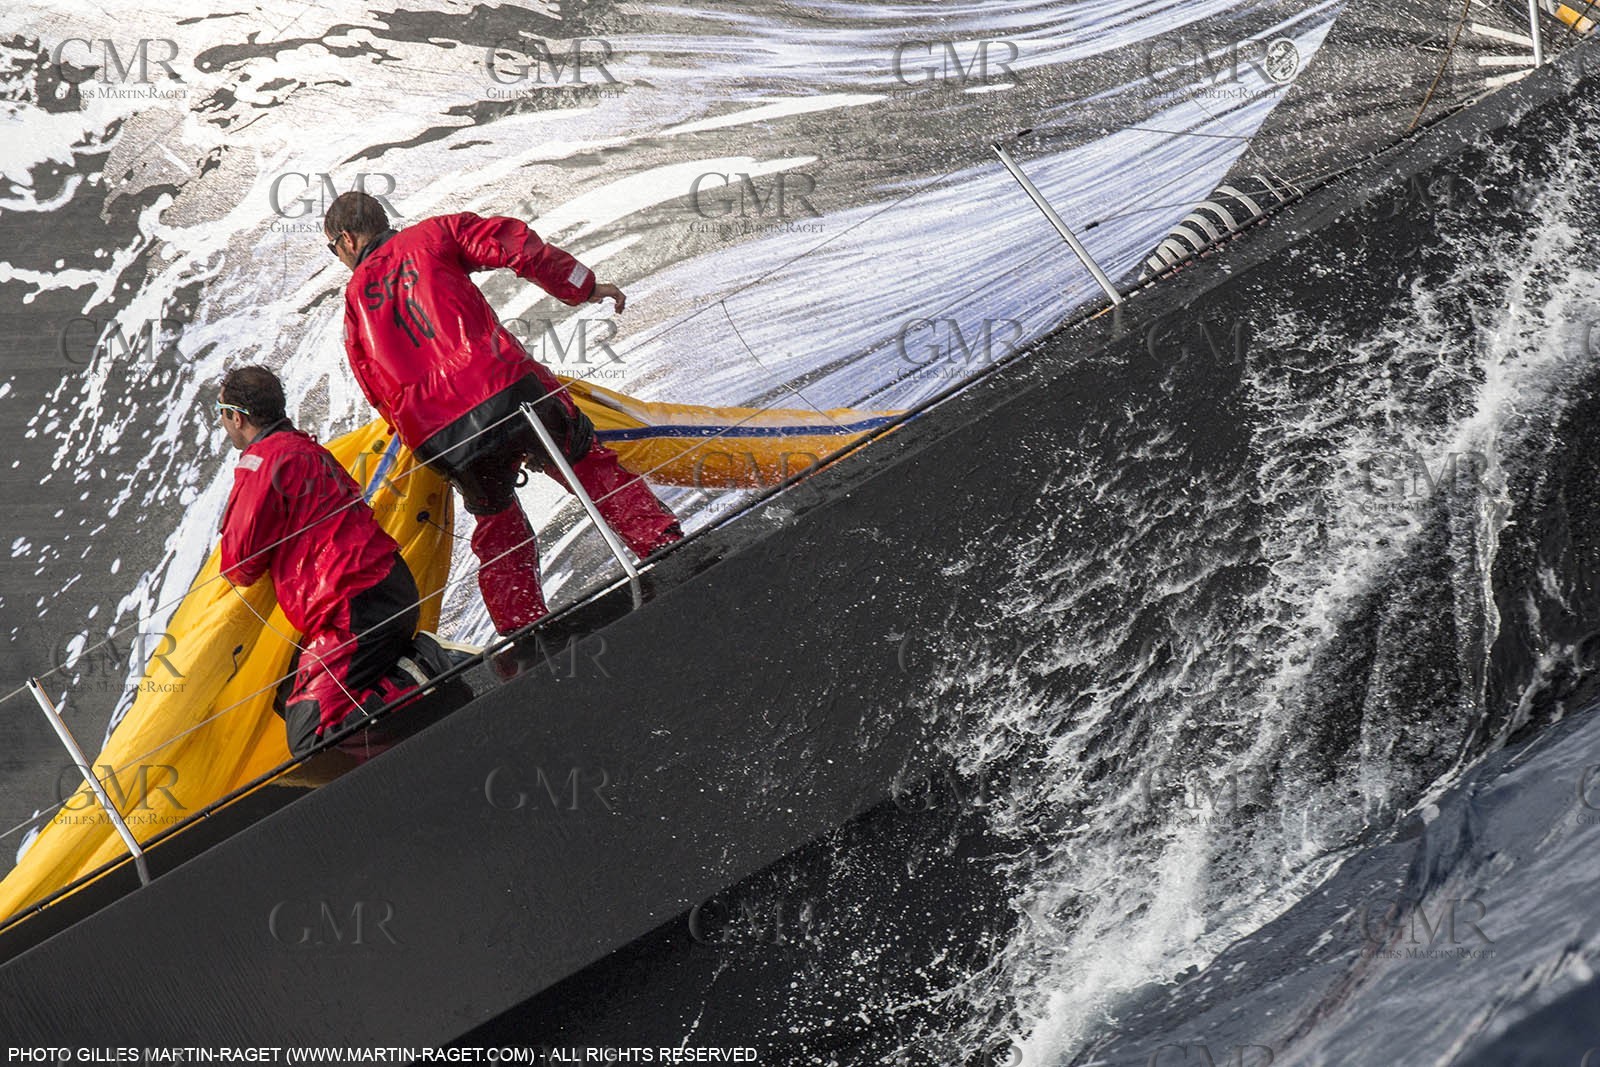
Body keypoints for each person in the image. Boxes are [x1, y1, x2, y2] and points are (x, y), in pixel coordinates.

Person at [323, 191, 682, 637]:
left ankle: (523, 632)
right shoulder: (433, 234)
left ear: (347, 238)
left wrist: (421, 440)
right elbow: (512, 243)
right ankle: (665, 548)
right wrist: (582, 286)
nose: (338, 257)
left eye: (332, 249)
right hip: (507, 391)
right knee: (585, 464)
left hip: (442, 436)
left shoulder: (356, 301)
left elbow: (373, 383)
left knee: (497, 522)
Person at [215, 365, 455, 762]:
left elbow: (240, 563)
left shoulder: (261, 462)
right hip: (379, 588)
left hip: (352, 606)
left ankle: (428, 673)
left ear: (236, 417)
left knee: (312, 734)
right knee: (288, 692)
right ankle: (410, 740)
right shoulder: (308, 449)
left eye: (220, 413)